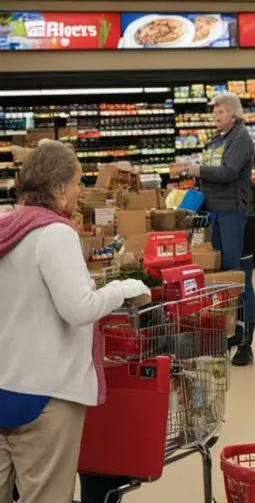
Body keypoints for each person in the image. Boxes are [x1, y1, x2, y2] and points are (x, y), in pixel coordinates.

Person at [0, 141, 149, 503]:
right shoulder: (55, 233)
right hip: (46, 393)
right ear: (57, 188)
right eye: (77, 182)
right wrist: (122, 288)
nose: (80, 190)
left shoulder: (7, 228)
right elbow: (78, 309)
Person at [185, 92, 255, 366]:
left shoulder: (240, 138)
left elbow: (228, 172)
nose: (216, 116)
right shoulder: (217, 140)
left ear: (234, 114)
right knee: (218, 276)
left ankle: (245, 341)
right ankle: (223, 336)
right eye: (214, 112)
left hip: (231, 213)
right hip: (212, 211)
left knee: (235, 275)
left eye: (221, 112)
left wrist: (198, 170)